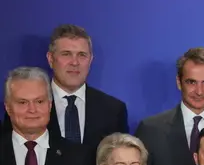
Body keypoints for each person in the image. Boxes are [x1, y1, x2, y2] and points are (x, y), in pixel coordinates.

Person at [3, 24, 129, 154]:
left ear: (90, 60)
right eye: (66, 54)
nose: (74, 62)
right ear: (51, 59)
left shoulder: (113, 110)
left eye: (82, 55)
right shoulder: (23, 105)